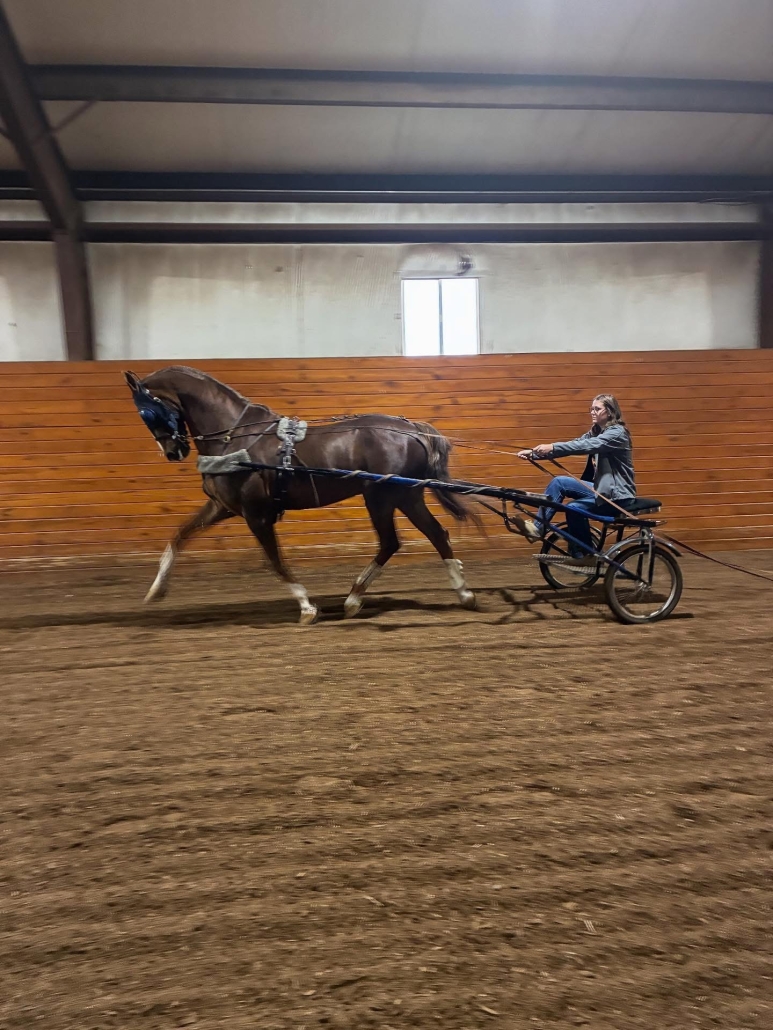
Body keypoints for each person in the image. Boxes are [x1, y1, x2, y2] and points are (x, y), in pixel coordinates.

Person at [513, 394, 636, 567]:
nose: (592, 412)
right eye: (591, 409)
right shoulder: (597, 431)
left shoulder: (617, 433)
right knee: (559, 482)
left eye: (597, 409)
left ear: (609, 412)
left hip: (617, 496)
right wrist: (534, 454)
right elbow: (575, 444)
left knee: (573, 508)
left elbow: (583, 447)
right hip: (603, 489)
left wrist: (552, 446)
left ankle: (588, 554)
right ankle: (537, 529)